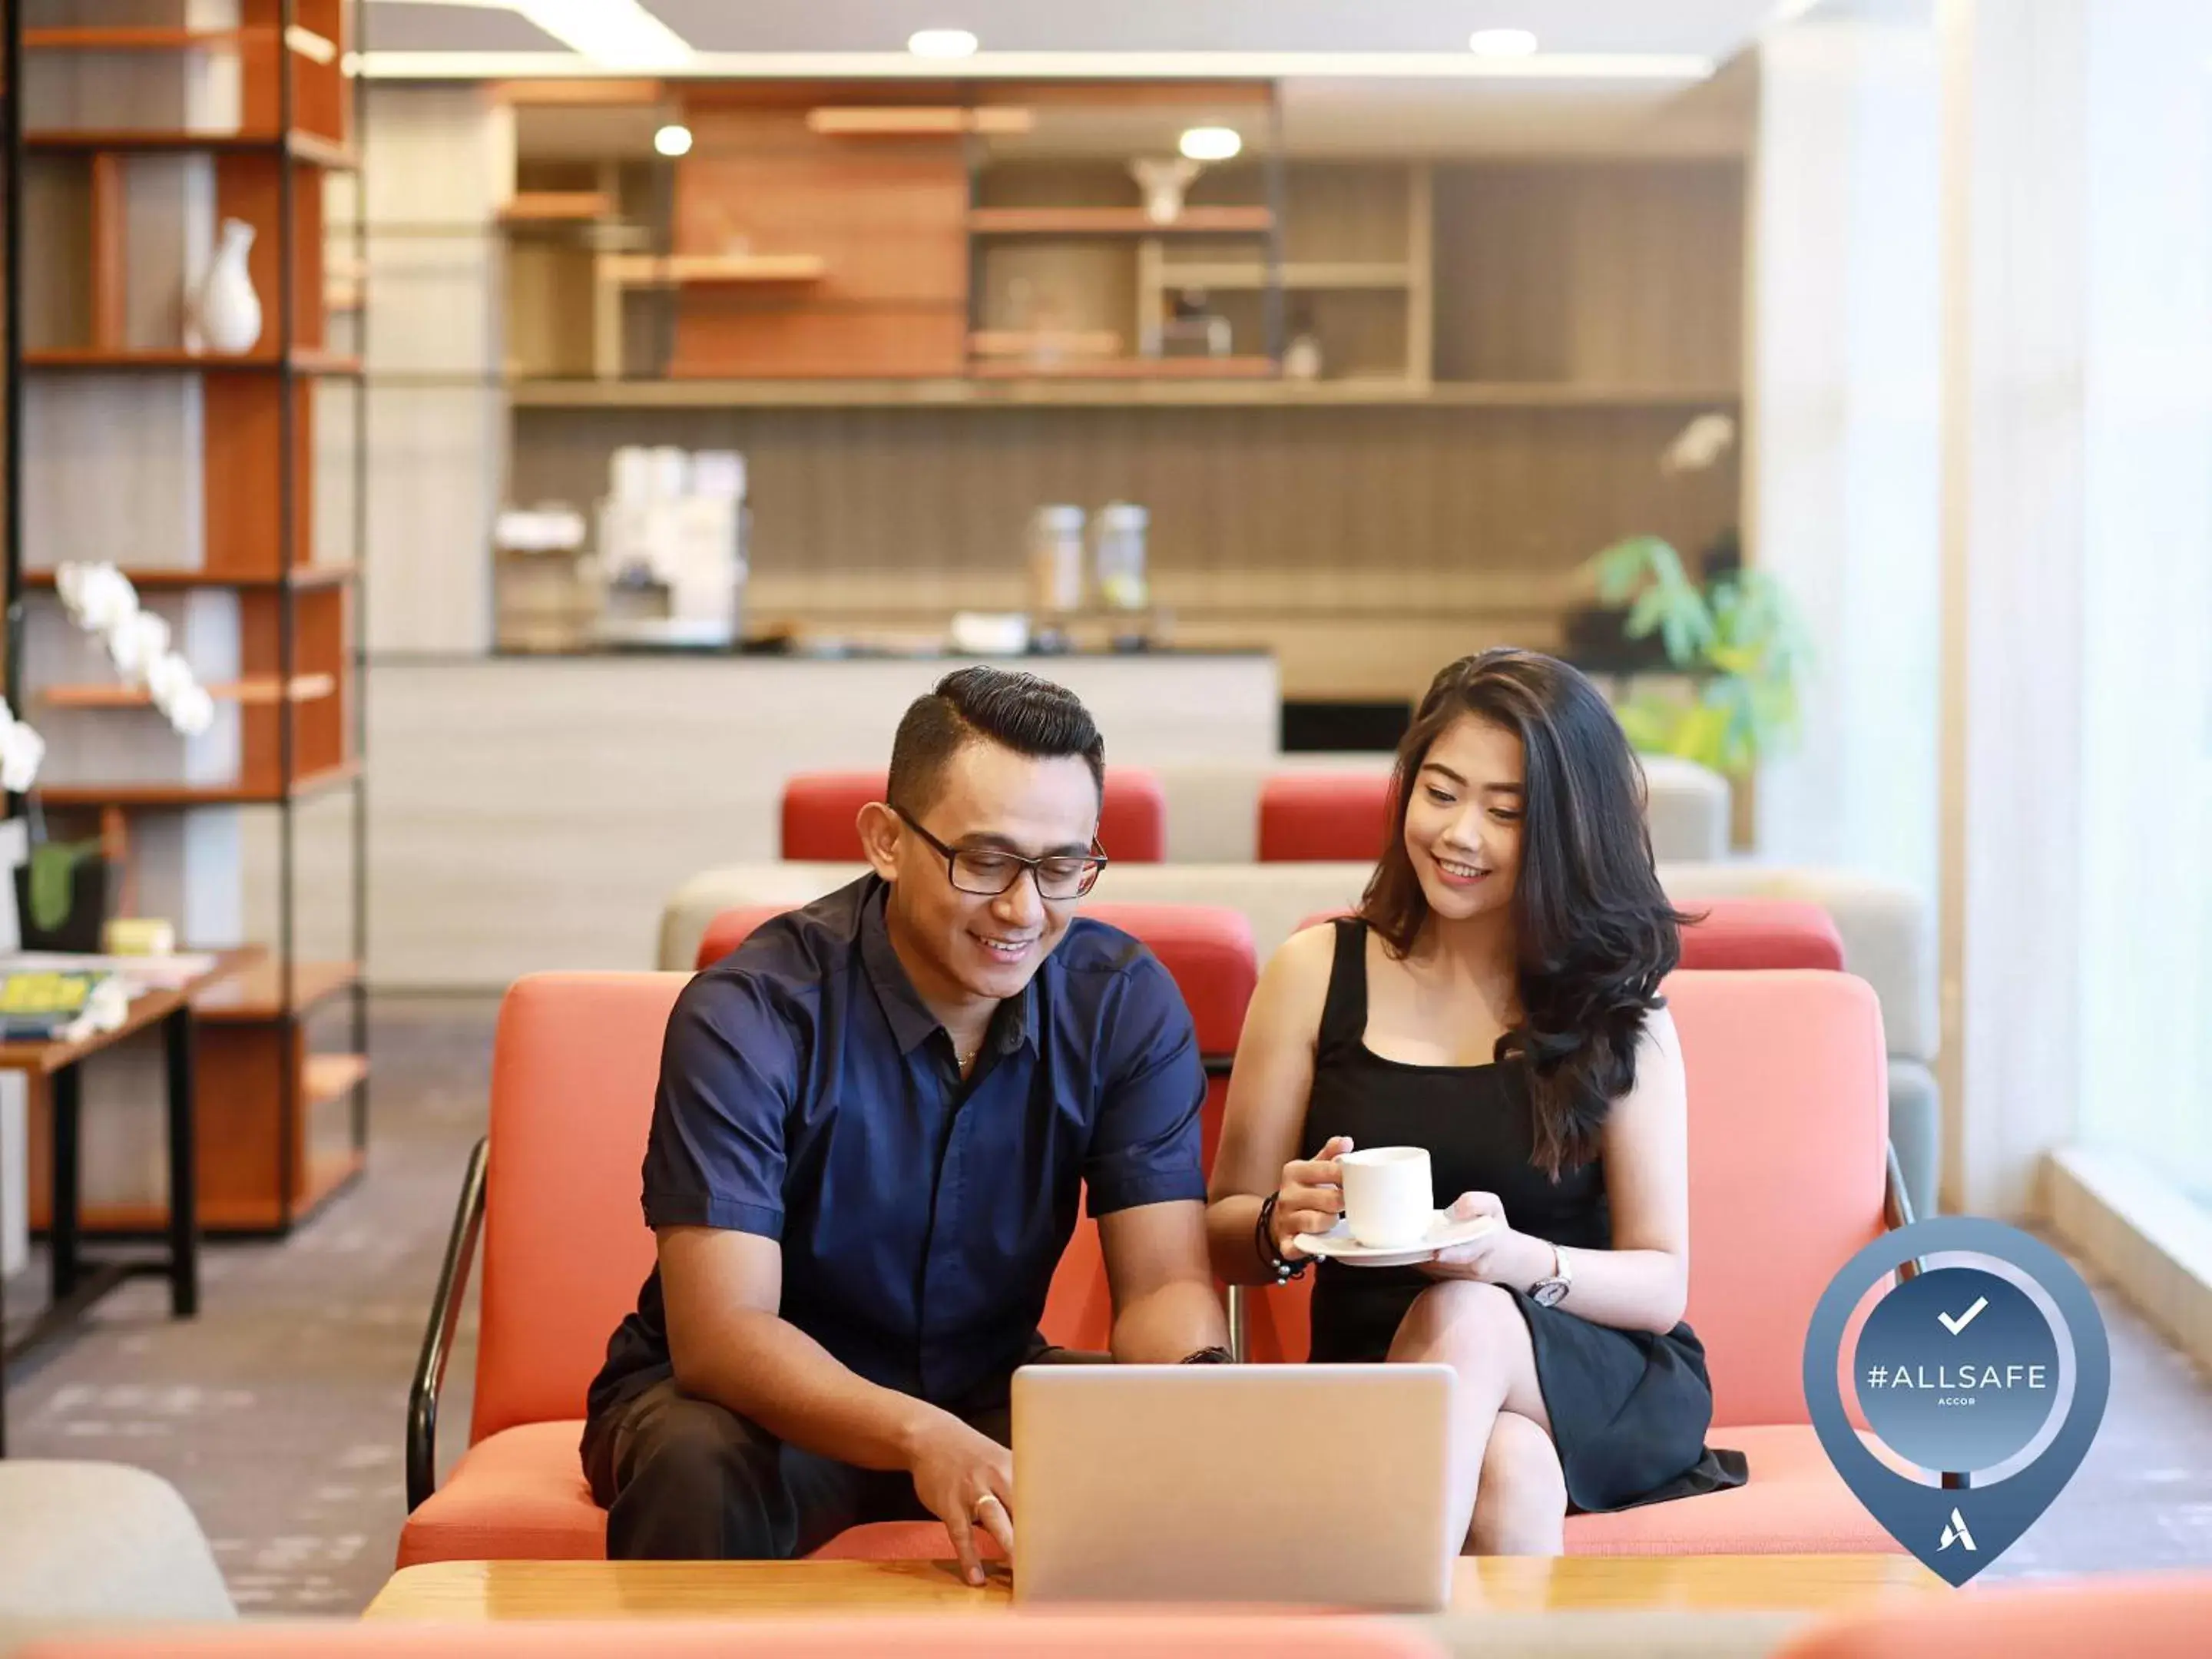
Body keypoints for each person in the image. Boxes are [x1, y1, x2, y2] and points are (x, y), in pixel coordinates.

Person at [584, 667, 1229, 1578]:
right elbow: (724, 1334)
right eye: (987, 861)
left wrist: (1204, 1400)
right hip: (758, 1410)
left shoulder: (1119, 1003)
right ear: (886, 840)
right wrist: (923, 1436)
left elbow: (1163, 1288)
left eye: (1061, 868)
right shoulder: (754, 1011)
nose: (1024, 910)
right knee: (698, 1464)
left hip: (986, 1389)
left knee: (1207, 1462)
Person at [1206, 648, 1745, 1555]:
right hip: (1374, 1373)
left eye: (1505, 813)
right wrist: (1276, 1223)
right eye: (1441, 792)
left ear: (1570, 834)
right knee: (1514, 1472)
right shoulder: (1314, 973)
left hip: (1588, 1367)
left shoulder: (1621, 1012)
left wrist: (1509, 1259)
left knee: (1468, 1313)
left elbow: (1661, 1286)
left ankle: (1364, 1586)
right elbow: (1221, 1230)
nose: (1459, 834)